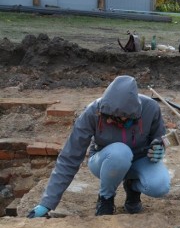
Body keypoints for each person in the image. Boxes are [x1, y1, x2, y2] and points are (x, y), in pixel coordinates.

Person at [27, 75, 171, 218]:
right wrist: (47, 203)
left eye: (117, 118)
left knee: (160, 186)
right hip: (105, 161)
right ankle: (106, 198)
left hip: (139, 159)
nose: (109, 120)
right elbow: (69, 157)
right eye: (107, 116)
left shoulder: (150, 108)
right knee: (120, 153)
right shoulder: (92, 112)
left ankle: (132, 188)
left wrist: (159, 147)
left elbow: (160, 137)